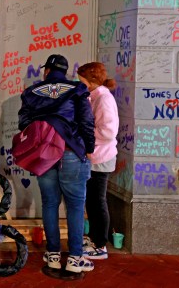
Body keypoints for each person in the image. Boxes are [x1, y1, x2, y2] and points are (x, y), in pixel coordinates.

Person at [18, 54, 95, 273]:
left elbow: (23, 122)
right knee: (75, 206)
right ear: (65, 70)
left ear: (47, 71)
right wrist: (89, 148)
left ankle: (52, 255)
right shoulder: (78, 89)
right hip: (72, 153)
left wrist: (43, 129)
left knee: (50, 203)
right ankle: (74, 259)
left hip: (44, 156)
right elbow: (87, 122)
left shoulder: (32, 92)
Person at [76, 62, 119, 260]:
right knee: (92, 201)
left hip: (101, 158)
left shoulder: (103, 99)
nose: (80, 84)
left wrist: (86, 135)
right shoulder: (95, 96)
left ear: (91, 81)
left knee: (97, 201)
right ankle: (94, 238)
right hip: (96, 155)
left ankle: (100, 245)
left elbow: (108, 132)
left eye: (82, 81)